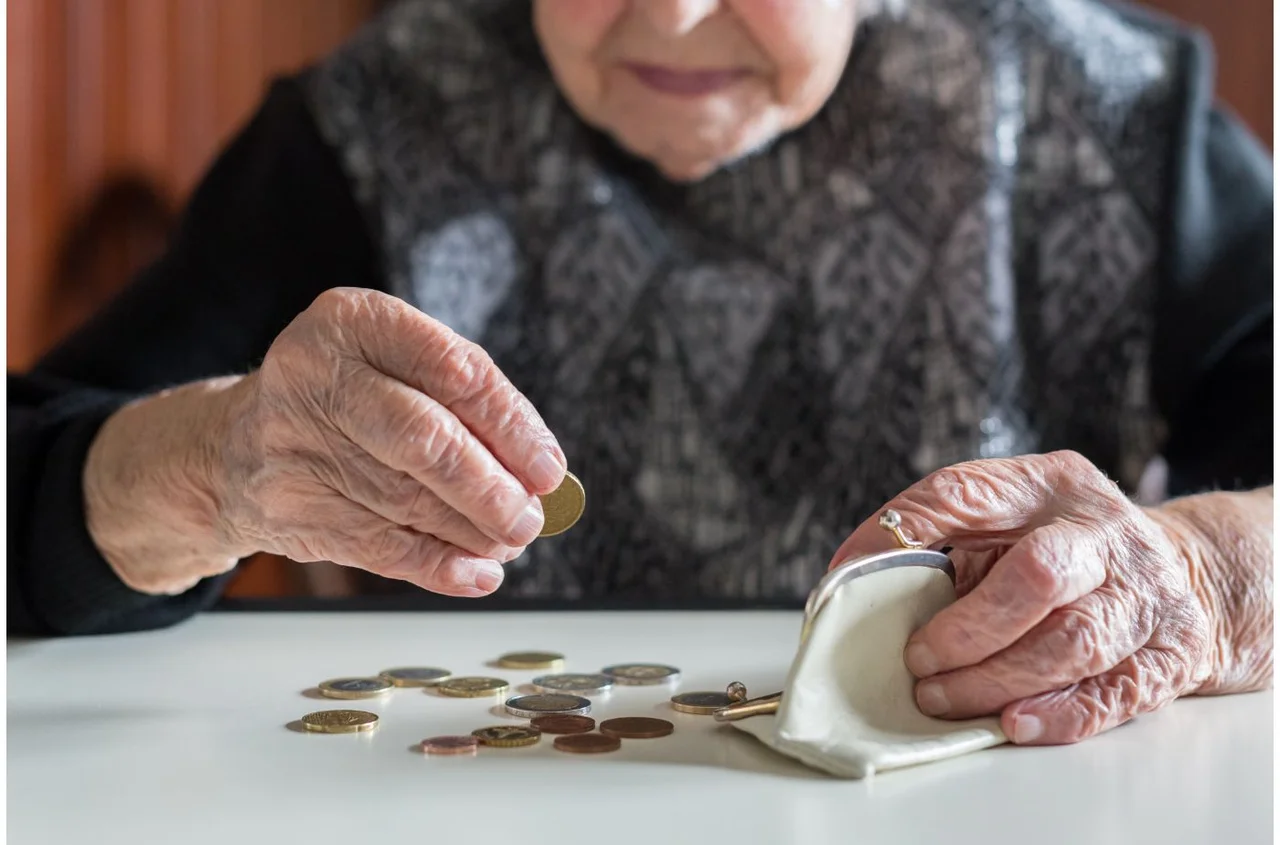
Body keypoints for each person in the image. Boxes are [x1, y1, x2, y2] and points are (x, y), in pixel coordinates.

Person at [8, 0, 1272, 747]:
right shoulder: (372, 124)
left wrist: (1209, 574)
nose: (666, 15)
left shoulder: (1109, 117)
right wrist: (205, 465)